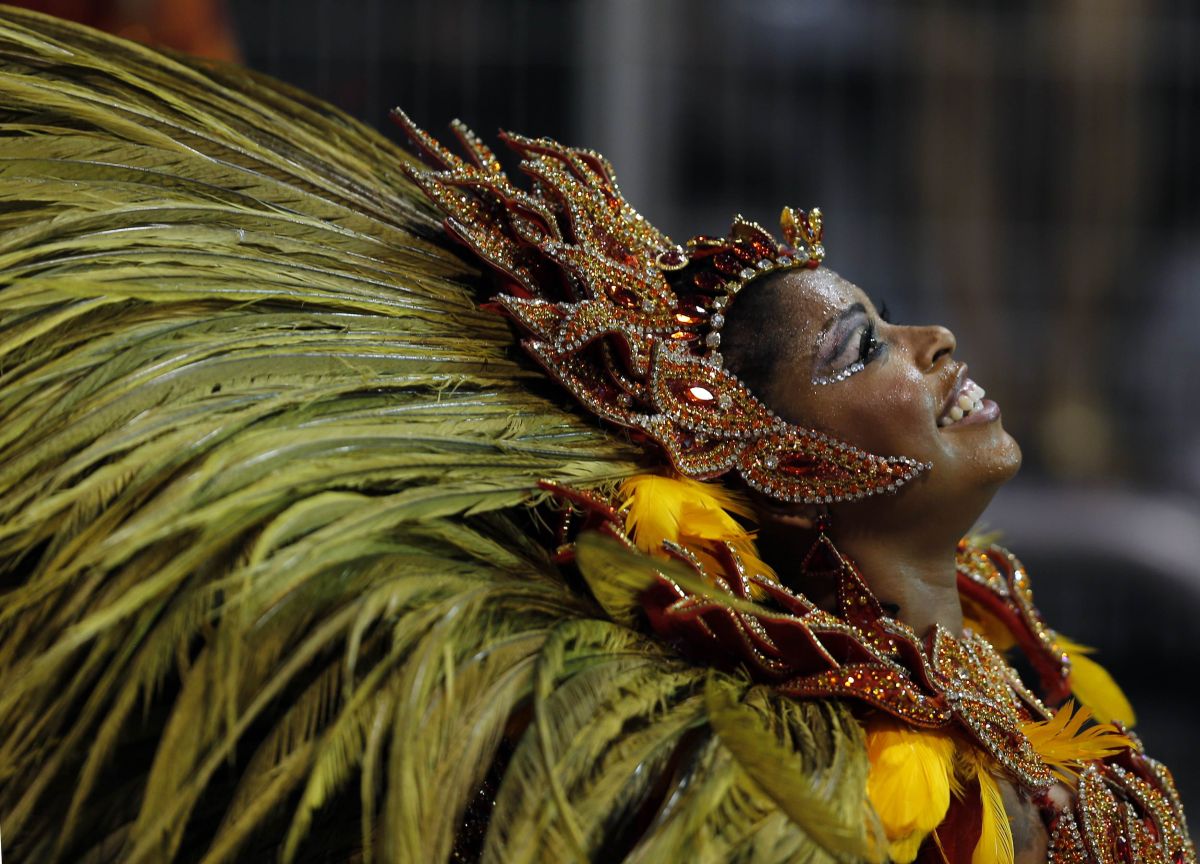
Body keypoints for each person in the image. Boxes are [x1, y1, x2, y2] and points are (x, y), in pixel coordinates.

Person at [0, 7, 1189, 864]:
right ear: (767, 460)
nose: (934, 339)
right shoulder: (750, 774)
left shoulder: (1010, 643)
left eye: (883, 321)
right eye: (859, 348)